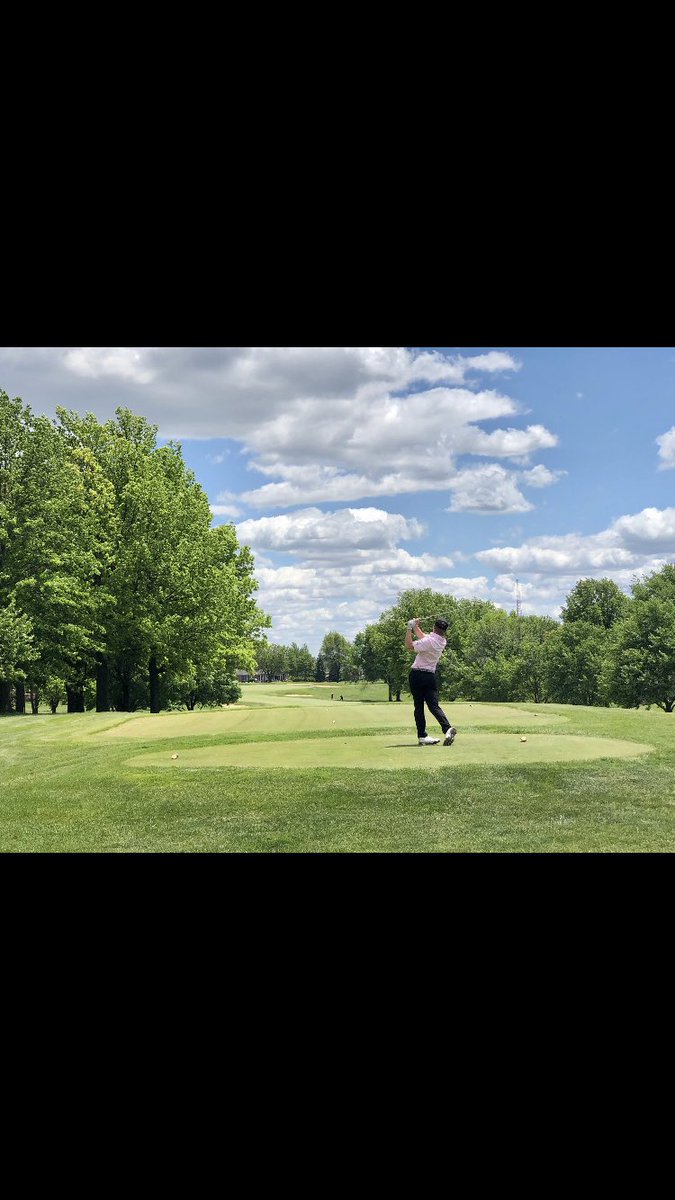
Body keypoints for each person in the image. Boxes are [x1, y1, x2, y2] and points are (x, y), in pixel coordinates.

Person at [405, 617, 457, 746]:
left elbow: (409, 645)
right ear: (444, 631)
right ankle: (447, 728)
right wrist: (415, 626)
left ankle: (422, 736)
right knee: (433, 706)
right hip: (430, 677)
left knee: (419, 706)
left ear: (434, 627)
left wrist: (408, 628)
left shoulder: (429, 641)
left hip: (417, 675)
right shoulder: (442, 641)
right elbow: (423, 637)